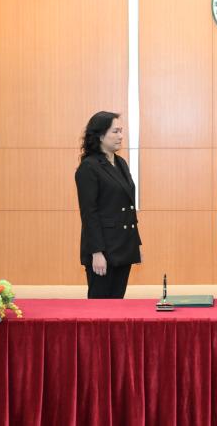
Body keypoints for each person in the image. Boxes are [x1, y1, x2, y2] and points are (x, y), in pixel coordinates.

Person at [75, 111, 141, 299]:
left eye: (121, 131)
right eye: (115, 131)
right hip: (103, 248)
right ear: (100, 135)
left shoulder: (121, 163)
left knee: (117, 304)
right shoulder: (89, 167)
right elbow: (89, 213)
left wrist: (135, 244)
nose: (121, 136)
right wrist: (97, 252)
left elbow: (126, 206)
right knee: (100, 307)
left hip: (123, 246)